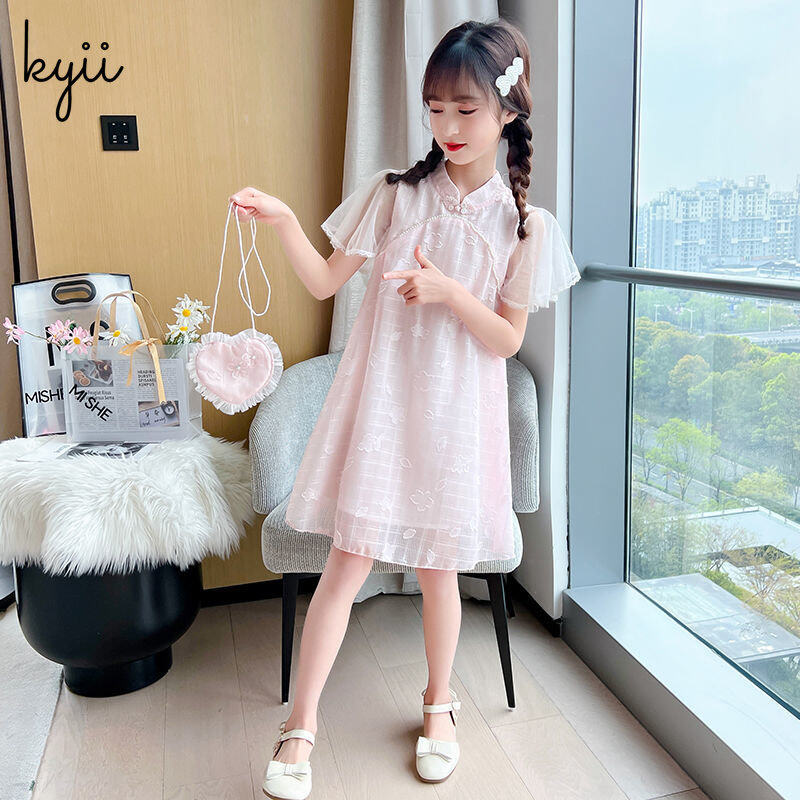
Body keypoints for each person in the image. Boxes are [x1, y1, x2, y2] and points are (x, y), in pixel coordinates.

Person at [229, 17, 580, 800]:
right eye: (435, 107)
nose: (447, 125)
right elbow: (325, 282)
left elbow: (504, 340)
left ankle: (438, 705)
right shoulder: (395, 194)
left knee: (436, 573)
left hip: (456, 421)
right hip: (384, 413)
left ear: (509, 111)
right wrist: (284, 219)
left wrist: (451, 292)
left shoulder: (524, 224)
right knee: (343, 568)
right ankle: (300, 724)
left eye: (465, 109)